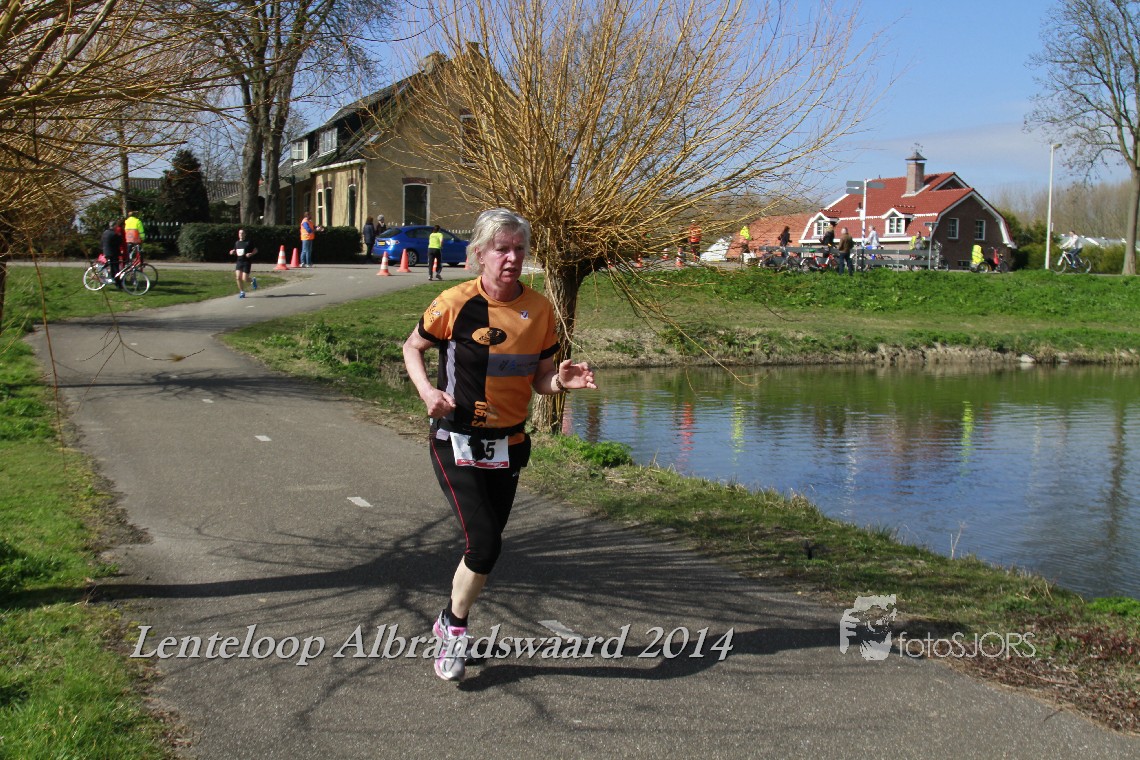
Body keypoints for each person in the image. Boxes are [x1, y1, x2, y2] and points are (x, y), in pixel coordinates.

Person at [401, 208, 598, 682]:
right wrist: (428, 392)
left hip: (508, 444)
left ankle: (450, 617)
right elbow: (412, 347)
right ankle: (455, 632)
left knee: (483, 551)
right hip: (455, 439)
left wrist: (561, 382)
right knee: (485, 541)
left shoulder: (540, 310)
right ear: (479, 254)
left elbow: (541, 381)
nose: (511, 258)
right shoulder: (454, 302)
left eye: (519, 250)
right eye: (501, 249)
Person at [229, 229, 258, 298]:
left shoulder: (248, 242)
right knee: (238, 277)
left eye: (242, 233)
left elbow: (256, 250)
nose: (241, 234)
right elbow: (235, 251)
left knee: (244, 278)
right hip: (239, 261)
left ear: (245, 234)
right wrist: (232, 252)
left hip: (246, 262)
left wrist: (251, 254)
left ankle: (252, 280)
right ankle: (242, 292)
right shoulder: (237, 243)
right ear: (238, 234)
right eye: (240, 233)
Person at [100, 221, 124, 288]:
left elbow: (101, 243)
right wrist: (120, 235)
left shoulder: (105, 232)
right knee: (116, 269)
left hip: (106, 252)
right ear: (114, 226)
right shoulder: (114, 234)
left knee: (112, 267)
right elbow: (119, 242)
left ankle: (113, 279)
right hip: (113, 253)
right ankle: (118, 283)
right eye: (116, 226)